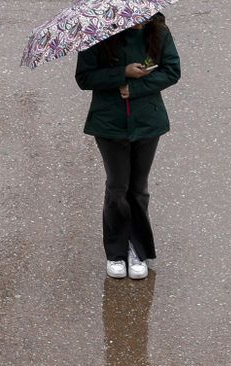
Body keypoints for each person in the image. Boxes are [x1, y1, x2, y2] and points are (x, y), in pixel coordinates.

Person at [75, 13, 181, 280]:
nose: (141, 21)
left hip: (148, 121)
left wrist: (137, 87)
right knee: (117, 187)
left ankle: (137, 250)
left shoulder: (159, 32)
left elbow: (172, 70)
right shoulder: (96, 34)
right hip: (108, 123)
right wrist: (121, 73)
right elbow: (84, 78)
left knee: (138, 189)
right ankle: (115, 253)